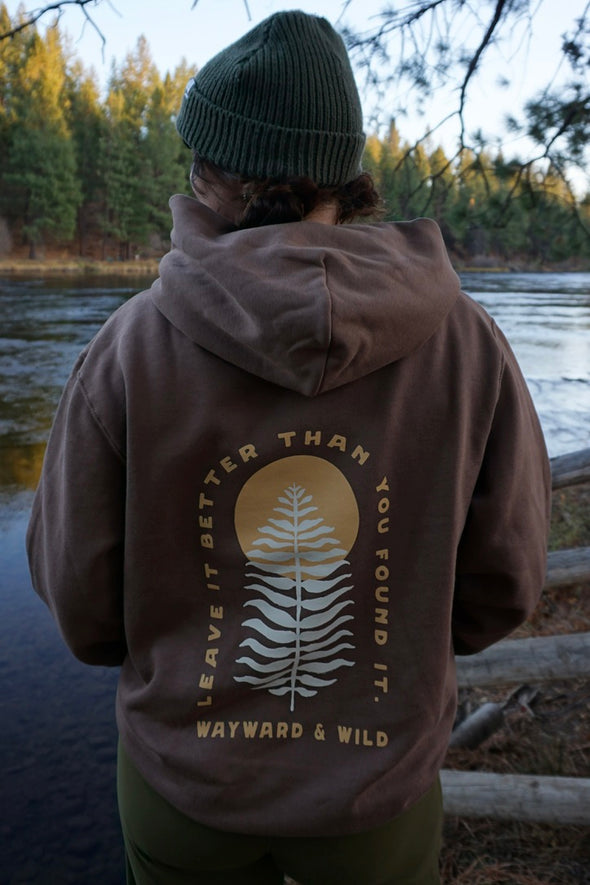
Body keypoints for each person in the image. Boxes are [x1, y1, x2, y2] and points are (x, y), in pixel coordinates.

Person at [26, 10, 551, 885]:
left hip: (187, 791)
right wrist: (405, 641)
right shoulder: (468, 344)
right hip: (374, 795)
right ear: (344, 175)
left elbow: (82, 606)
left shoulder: (127, 349)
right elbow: (505, 583)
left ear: (213, 172)